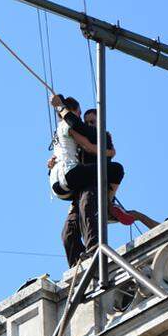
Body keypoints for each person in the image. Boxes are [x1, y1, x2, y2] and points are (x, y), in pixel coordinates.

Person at [47, 94, 122, 266]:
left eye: (91, 121)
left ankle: (108, 204)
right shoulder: (69, 129)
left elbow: (90, 140)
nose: (85, 122)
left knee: (86, 206)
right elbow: (80, 137)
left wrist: (109, 153)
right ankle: (77, 266)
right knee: (70, 230)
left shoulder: (102, 134)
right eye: (82, 117)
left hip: (87, 182)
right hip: (74, 178)